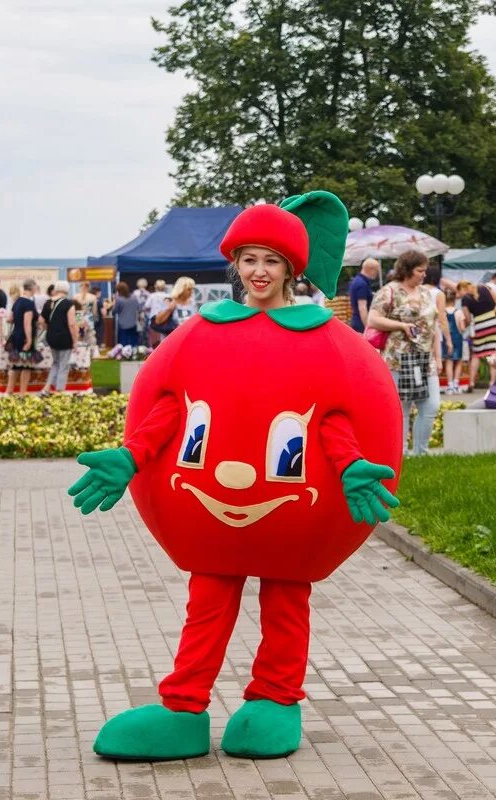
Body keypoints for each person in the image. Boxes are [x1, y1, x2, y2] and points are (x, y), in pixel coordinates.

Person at [68, 191, 401, 761]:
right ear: (236, 265)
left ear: (291, 268)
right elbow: (173, 408)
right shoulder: (202, 333)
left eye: (271, 261)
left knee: (286, 599)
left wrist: (351, 469)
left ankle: (275, 699)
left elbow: (330, 419)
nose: (259, 271)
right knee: (209, 600)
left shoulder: (322, 341)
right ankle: (184, 708)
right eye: (249, 259)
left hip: (290, 513)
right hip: (211, 512)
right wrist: (131, 456)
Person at [367, 250, 440, 456]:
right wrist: (401, 325)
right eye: (420, 270)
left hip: (425, 359)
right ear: (407, 270)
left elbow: (433, 327)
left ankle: (421, 452)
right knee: (402, 408)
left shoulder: (426, 293)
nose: (424, 274)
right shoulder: (389, 291)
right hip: (397, 358)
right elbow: (372, 319)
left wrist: (439, 356)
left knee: (431, 405)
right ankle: (400, 454)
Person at [458, 279, 496, 392]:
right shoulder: (485, 287)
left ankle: (471, 382)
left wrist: (465, 327)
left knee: (477, 354)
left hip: (480, 326)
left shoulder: (465, 299)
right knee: (494, 352)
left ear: (462, 289)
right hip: (495, 322)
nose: (459, 295)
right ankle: (492, 383)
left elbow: (467, 318)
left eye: (459, 292)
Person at [41, 281, 79, 395]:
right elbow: (72, 323)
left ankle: (47, 388)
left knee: (55, 363)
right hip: (65, 338)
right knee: (63, 365)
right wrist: (75, 340)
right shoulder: (68, 304)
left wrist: (49, 328)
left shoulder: (48, 303)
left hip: (51, 337)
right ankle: (60, 390)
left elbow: (41, 321)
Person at [7, 279, 42, 394]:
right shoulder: (29, 303)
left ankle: (9, 391)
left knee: (16, 365)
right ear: (32, 288)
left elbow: (10, 319)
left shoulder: (17, 301)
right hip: (25, 337)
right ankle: (22, 393)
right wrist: (29, 340)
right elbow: (27, 323)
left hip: (16, 335)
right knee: (26, 366)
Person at [442, 287, 467, 394]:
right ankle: (456, 384)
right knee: (458, 361)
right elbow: (462, 328)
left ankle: (450, 385)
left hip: (446, 339)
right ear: (455, 299)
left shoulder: (442, 312)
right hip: (457, 339)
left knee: (449, 361)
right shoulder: (459, 312)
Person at [348, 258, 380, 332]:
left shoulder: (357, 281)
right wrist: (367, 328)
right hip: (361, 324)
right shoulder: (362, 284)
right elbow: (362, 308)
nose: (377, 273)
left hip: (357, 321)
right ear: (370, 269)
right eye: (376, 270)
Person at [144, 279, 169, 346]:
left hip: (153, 320)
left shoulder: (152, 296)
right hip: (165, 320)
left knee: (153, 341)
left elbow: (146, 306)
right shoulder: (168, 296)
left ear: (156, 286)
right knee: (164, 340)